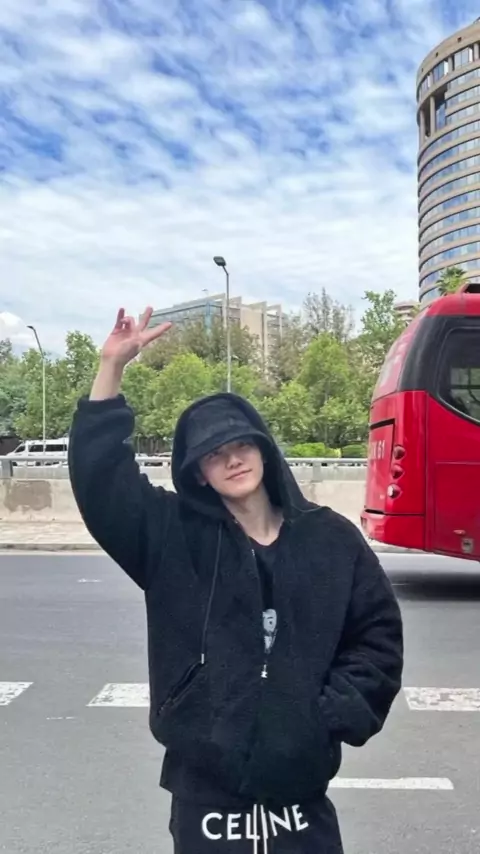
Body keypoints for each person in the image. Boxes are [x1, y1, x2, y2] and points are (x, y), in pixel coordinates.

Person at [69, 307, 404, 854]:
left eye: (240, 446)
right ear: (198, 472)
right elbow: (103, 484)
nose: (231, 461)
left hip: (301, 792)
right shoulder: (171, 535)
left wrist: (331, 715)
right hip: (204, 793)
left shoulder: (330, 539)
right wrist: (111, 369)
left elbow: (378, 636)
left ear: (263, 448)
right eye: (213, 455)